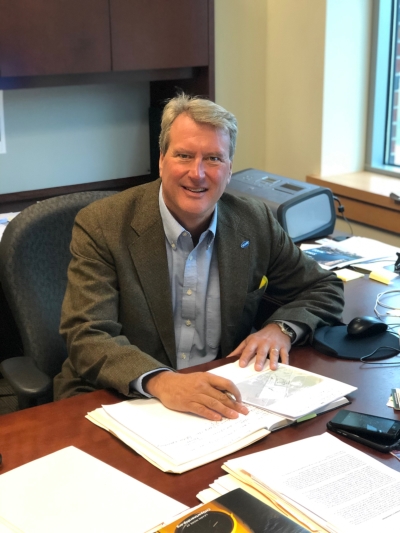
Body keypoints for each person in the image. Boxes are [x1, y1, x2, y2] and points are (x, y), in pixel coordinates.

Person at [54, 93, 344, 421]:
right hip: (122, 395)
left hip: (218, 395)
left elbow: (323, 287)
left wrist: (281, 329)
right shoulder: (103, 224)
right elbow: (88, 334)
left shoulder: (254, 221)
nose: (198, 173)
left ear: (230, 169)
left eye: (213, 159)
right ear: (162, 159)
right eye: (184, 155)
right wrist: (163, 381)